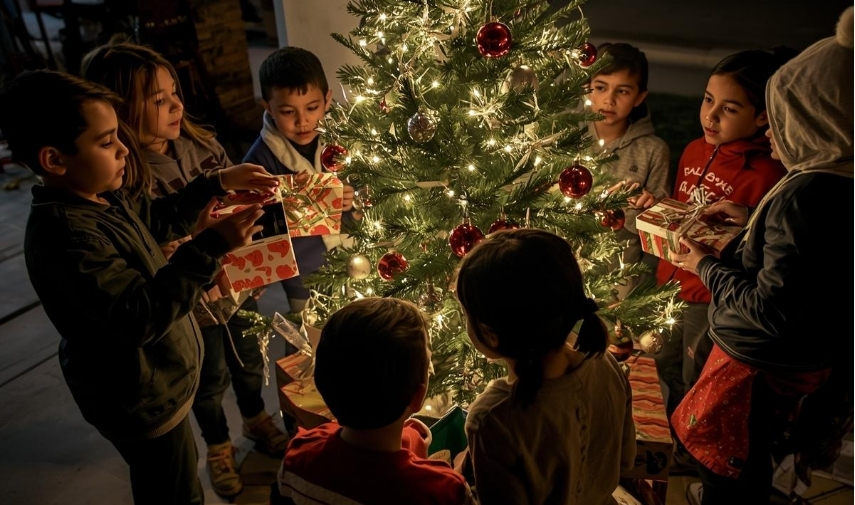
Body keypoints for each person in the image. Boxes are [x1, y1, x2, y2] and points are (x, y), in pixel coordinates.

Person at [0, 69, 279, 504]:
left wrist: (217, 182)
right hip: (140, 397)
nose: (125, 149)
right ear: (54, 160)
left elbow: (157, 218)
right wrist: (209, 248)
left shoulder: (102, 195)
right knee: (172, 491)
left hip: (161, 383)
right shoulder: (68, 238)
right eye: (106, 142)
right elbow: (139, 316)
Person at [80, 42, 291, 498]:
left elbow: (235, 202)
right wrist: (191, 243)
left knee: (249, 360)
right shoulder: (122, 178)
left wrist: (256, 255)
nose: (177, 105)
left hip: (237, 284)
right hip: (190, 304)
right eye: (159, 100)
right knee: (209, 378)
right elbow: (148, 249)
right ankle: (218, 446)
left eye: (174, 92)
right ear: (120, 110)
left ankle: (255, 419)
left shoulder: (201, 143)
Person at [671, 7, 853, 504]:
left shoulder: (804, 193)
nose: (770, 132)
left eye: (783, 118)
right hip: (796, 362)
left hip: (756, 369)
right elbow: (802, 264)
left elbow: (770, 308)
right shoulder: (836, 179)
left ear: (817, 120)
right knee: (747, 459)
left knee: (730, 467)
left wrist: (704, 265)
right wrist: (750, 224)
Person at [653, 49, 792, 420]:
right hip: (670, 283)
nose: (710, 116)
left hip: (710, 298)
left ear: (761, 116)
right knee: (659, 363)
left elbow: (759, 251)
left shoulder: (766, 174)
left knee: (693, 380)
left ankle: (683, 447)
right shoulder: (694, 150)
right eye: (708, 99)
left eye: (728, 109)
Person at [455, 228, 636, 505]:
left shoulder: (492, 419)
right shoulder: (606, 363)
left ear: (491, 334)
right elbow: (625, 460)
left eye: (465, 314)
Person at [271, 297, 475, 505]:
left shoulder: (298, 456)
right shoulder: (443, 492)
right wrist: (459, 471)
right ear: (417, 397)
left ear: (320, 382)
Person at [243, 46, 355, 313]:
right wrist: (288, 204)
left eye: (312, 108)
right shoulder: (259, 161)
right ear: (268, 108)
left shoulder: (344, 138)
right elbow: (252, 222)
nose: (303, 121)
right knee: (309, 328)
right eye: (288, 112)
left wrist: (353, 197)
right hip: (301, 275)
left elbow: (368, 180)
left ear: (327, 100)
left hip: (353, 256)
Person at [587, 42, 671, 297]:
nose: (609, 100)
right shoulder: (566, 137)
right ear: (587, 88)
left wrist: (639, 207)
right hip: (560, 266)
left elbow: (659, 227)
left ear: (639, 97)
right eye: (601, 87)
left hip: (619, 279)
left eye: (622, 91)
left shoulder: (653, 150)